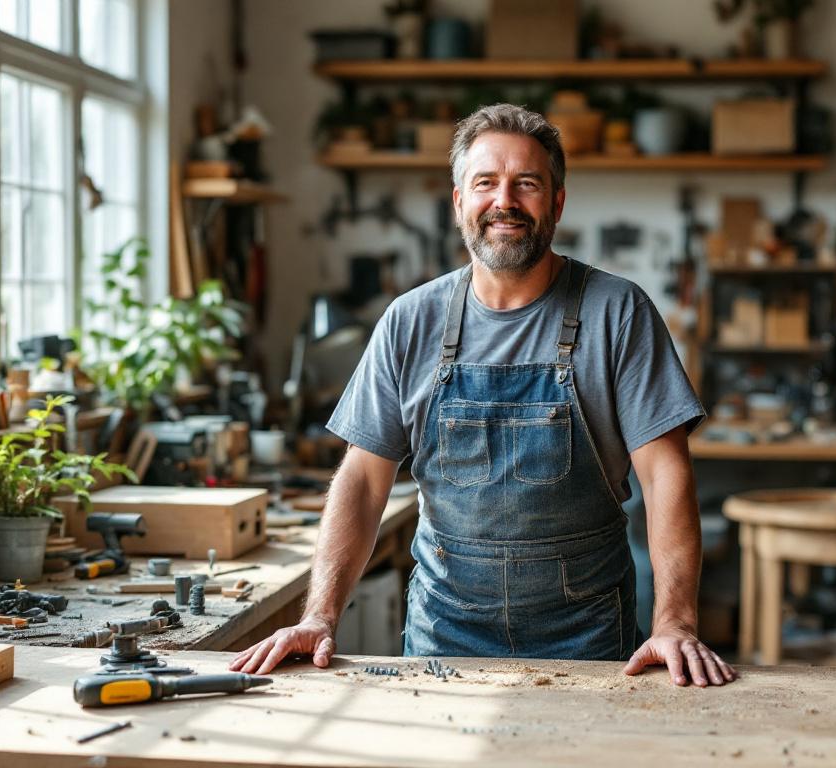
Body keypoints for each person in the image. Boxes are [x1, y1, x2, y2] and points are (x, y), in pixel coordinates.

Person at [231, 103, 735, 687]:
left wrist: (674, 623)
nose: (505, 201)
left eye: (527, 184)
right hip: (444, 635)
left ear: (558, 201)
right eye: (485, 183)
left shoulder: (617, 313)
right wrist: (319, 617)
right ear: (458, 203)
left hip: (589, 634)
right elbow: (364, 481)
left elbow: (666, 476)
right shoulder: (409, 322)